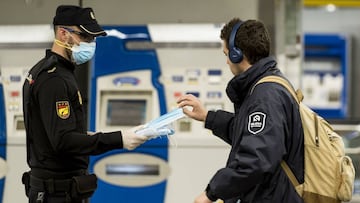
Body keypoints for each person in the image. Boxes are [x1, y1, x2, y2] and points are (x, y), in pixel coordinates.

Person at [22, 5, 149, 203]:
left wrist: (87, 136)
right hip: (56, 193)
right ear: (63, 34)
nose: (91, 43)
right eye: (85, 37)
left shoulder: (53, 72)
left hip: (61, 189)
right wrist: (119, 139)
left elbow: (53, 134)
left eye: (93, 38)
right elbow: (63, 141)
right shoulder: (54, 79)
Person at [177, 18, 305, 203]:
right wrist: (207, 117)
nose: (227, 61)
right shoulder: (269, 85)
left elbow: (257, 158)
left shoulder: (265, 96)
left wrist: (211, 193)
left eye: (227, 54)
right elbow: (251, 134)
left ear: (238, 55)